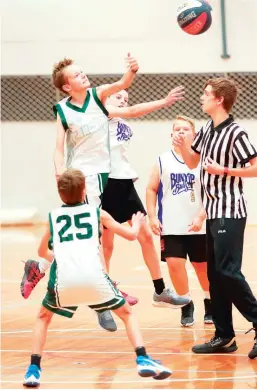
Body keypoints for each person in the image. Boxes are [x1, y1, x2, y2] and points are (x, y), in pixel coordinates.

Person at [20, 55, 185, 332]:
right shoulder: (63, 110)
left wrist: (131, 71)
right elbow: (59, 147)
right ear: (66, 86)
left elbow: (123, 86)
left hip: (109, 177)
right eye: (76, 75)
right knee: (90, 243)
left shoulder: (98, 98)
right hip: (83, 180)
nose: (83, 75)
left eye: (83, 71)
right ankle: (95, 297)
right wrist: (59, 172)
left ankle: (155, 290)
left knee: (127, 236)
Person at [23, 169, 172, 387]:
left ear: (60, 193)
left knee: (43, 317)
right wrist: (138, 224)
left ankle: (33, 369)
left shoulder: (53, 217)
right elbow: (131, 235)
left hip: (64, 280)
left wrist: (62, 257)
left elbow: (41, 251)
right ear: (84, 190)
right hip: (95, 278)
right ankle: (142, 357)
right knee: (127, 314)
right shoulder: (97, 213)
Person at [173, 77, 257, 358]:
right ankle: (224, 336)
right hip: (212, 211)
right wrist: (183, 143)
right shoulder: (208, 128)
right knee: (215, 275)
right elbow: (193, 161)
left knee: (227, 271)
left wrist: (225, 171)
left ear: (219, 99)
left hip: (230, 210)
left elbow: (255, 168)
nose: (202, 97)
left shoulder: (236, 132)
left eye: (206, 94)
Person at [101, 91, 191, 309]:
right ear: (104, 99)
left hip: (124, 183)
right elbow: (133, 111)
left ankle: (160, 290)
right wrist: (163, 100)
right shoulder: (101, 115)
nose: (123, 100)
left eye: (126, 98)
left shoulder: (122, 122)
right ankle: (104, 293)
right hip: (104, 184)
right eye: (118, 96)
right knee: (106, 244)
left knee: (146, 237)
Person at [146, 115, 213, 327]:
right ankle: (186, 304)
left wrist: (202, 215)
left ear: (194, 135)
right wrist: (152, 216)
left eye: (185, 129)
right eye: (177, 129)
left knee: (202, 266)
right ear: (171, 135)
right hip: (171, 224)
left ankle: (210, 303)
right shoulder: (162, 160)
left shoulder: (202, 159)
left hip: (198, 223)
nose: (181, 132)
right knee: (175, 264)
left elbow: (211, 190)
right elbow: (151, 189)